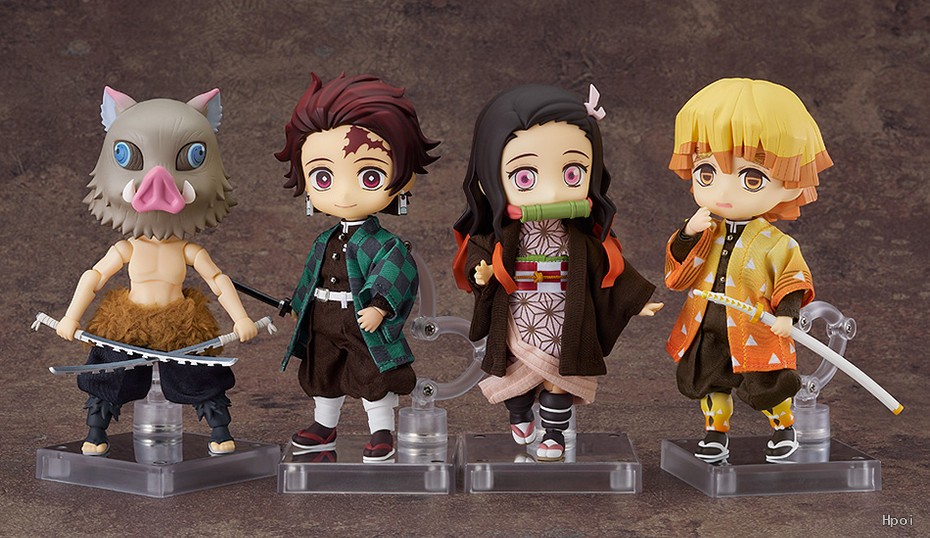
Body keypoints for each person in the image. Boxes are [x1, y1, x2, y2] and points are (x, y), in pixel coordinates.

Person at [453, 84, 662, 461]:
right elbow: (476, 255)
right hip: (520, 317)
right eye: (525, 177)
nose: (551, 193)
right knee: (515, 382)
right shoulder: (502, 236)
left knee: (559, 383)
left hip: (565, 320)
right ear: (490, 178)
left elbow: (607, 265)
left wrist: (634, 300)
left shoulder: (580, 241)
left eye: (571, 173)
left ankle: (553, 435)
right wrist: (480, 273)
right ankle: (519, 412)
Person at [664, 78, 832, 463]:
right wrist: (688, 234)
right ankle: (715, 433)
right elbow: (678, 271)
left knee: (767, 383)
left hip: (756, 326)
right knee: (710, 380)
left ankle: (784, 428)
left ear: (791, 184)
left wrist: (787, 314)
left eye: (751, 178)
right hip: (707, 324)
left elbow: (791, 279)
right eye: (707, 173)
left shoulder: (777, 243)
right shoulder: (705, 228)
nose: (723, 193)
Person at [276, 73, 439, 462]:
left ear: (402, 179)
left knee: (372, 375)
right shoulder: (325, 239)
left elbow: (398, 274)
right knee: (323, 372)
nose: (345, 192)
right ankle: (324, 426)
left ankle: (381, 431)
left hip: (363, 320)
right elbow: (311, 275)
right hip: (324, 317)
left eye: (369, 175)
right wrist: (299, 304)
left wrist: (380, 306)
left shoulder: (385, 243)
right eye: (323, 177)